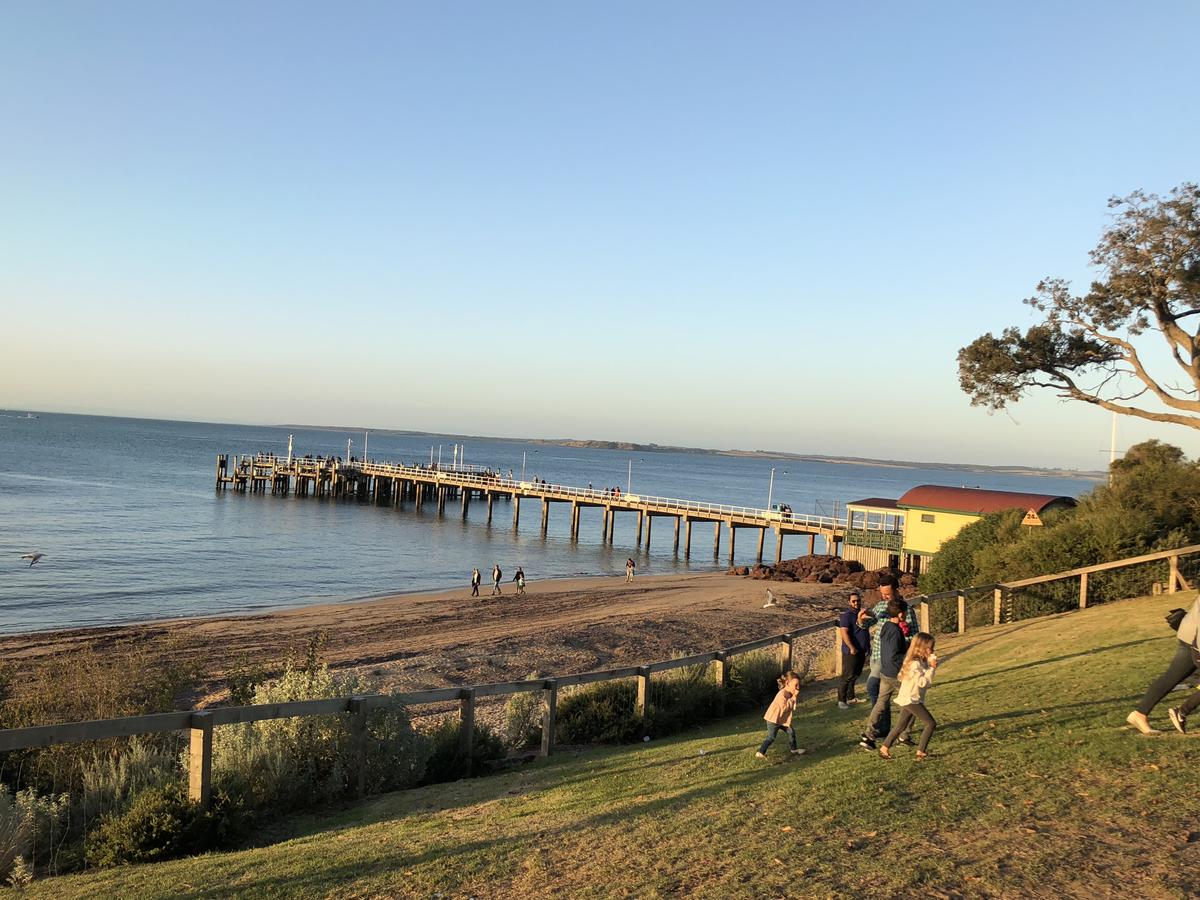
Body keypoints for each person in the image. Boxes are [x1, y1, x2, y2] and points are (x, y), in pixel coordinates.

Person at [858, 577, 918, 748]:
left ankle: (886, 731)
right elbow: (867, 624)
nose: (884, 597)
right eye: (882, 594)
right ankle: (882, 730)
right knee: (879, 692)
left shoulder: (906, 610)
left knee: (887, 695)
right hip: (880, 656)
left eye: (888, 594)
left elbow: (913, 636)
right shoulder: (880, 607)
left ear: (896, 591)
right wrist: (861, 620)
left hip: (896, 661)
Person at [1129, 594, 1200, 734]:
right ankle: (1143, 714)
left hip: (1191, 634)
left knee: (1172, 677)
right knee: (1172, 677)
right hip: (1194, 639)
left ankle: (1140, 714)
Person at [880, 632, 939, 760]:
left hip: (911, 697)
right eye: (930, 647)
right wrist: (932, 668)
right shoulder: (915, 664)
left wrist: (929, 665)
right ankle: (921, 752)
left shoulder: (919, 662)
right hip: (911, 699)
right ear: (920, 648)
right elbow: (923, 683)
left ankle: (884, 748)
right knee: (930, 723)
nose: (932, 650)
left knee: (901, 725)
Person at [755, 670, 807, 759]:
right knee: (771, 737)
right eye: (796, 685)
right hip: (773, 719)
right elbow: (785, 707)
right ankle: (760, 752)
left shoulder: (790, 693)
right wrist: (794, 697)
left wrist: (794, 697)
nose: (798, 688)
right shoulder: (782, 694)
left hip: (781, 719)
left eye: (799, 685)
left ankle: (794, 749)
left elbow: (792, 707)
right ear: (787, 683)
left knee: (791, 731)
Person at [837, 591, 871, 708]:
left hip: (862, 649)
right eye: (854, 601)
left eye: (858, 600)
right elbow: (844, 633)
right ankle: (841, 700)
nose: (856, 603)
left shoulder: (862, 614)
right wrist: (851, 647)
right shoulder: (846, 616)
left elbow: (865, 630)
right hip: (851, 651)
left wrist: (867, 647)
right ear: (849, 602)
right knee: (847, 675)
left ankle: (851, 697)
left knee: (855, 675)